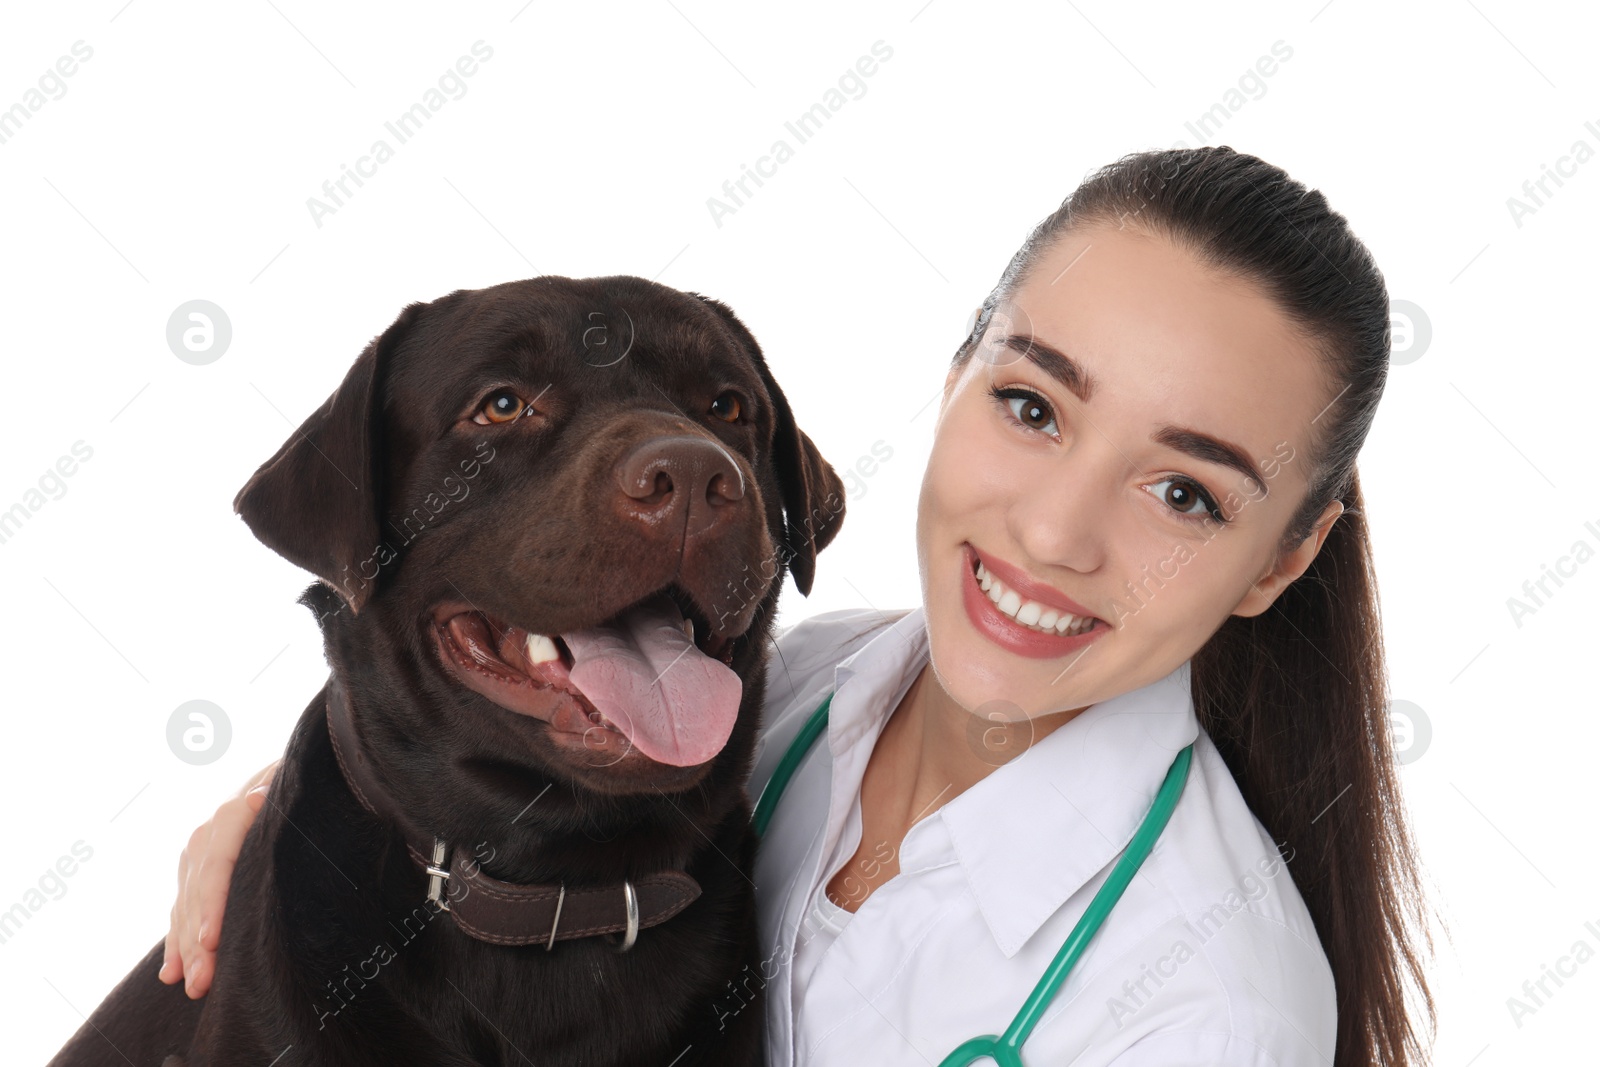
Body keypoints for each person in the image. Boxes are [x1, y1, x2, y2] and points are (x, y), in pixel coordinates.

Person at [159, 146, 1434, 1066]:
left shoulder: (1208, 1011)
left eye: (1183, 491)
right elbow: (479, 752)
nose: (1054, 534)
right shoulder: (792, 695)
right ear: (955, 376)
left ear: (1281, 558)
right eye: (1033, 407)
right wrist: (295, 816)